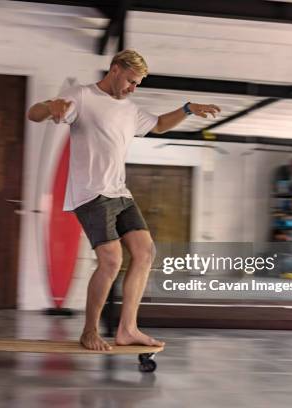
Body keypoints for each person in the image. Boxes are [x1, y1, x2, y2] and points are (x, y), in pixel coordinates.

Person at [27, 50, 220, 351]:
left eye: (138, 84)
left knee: (145, 253)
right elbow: (34, 114)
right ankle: (89, 331)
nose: (133, 88)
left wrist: (187, 109)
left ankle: (127, 329)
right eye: (131, 81)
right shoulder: (82, 95)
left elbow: (158, 125)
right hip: (91, 194)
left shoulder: (130, 110)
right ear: (115, 69)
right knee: (111, 260)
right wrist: (50, 106)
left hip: (120, 193)